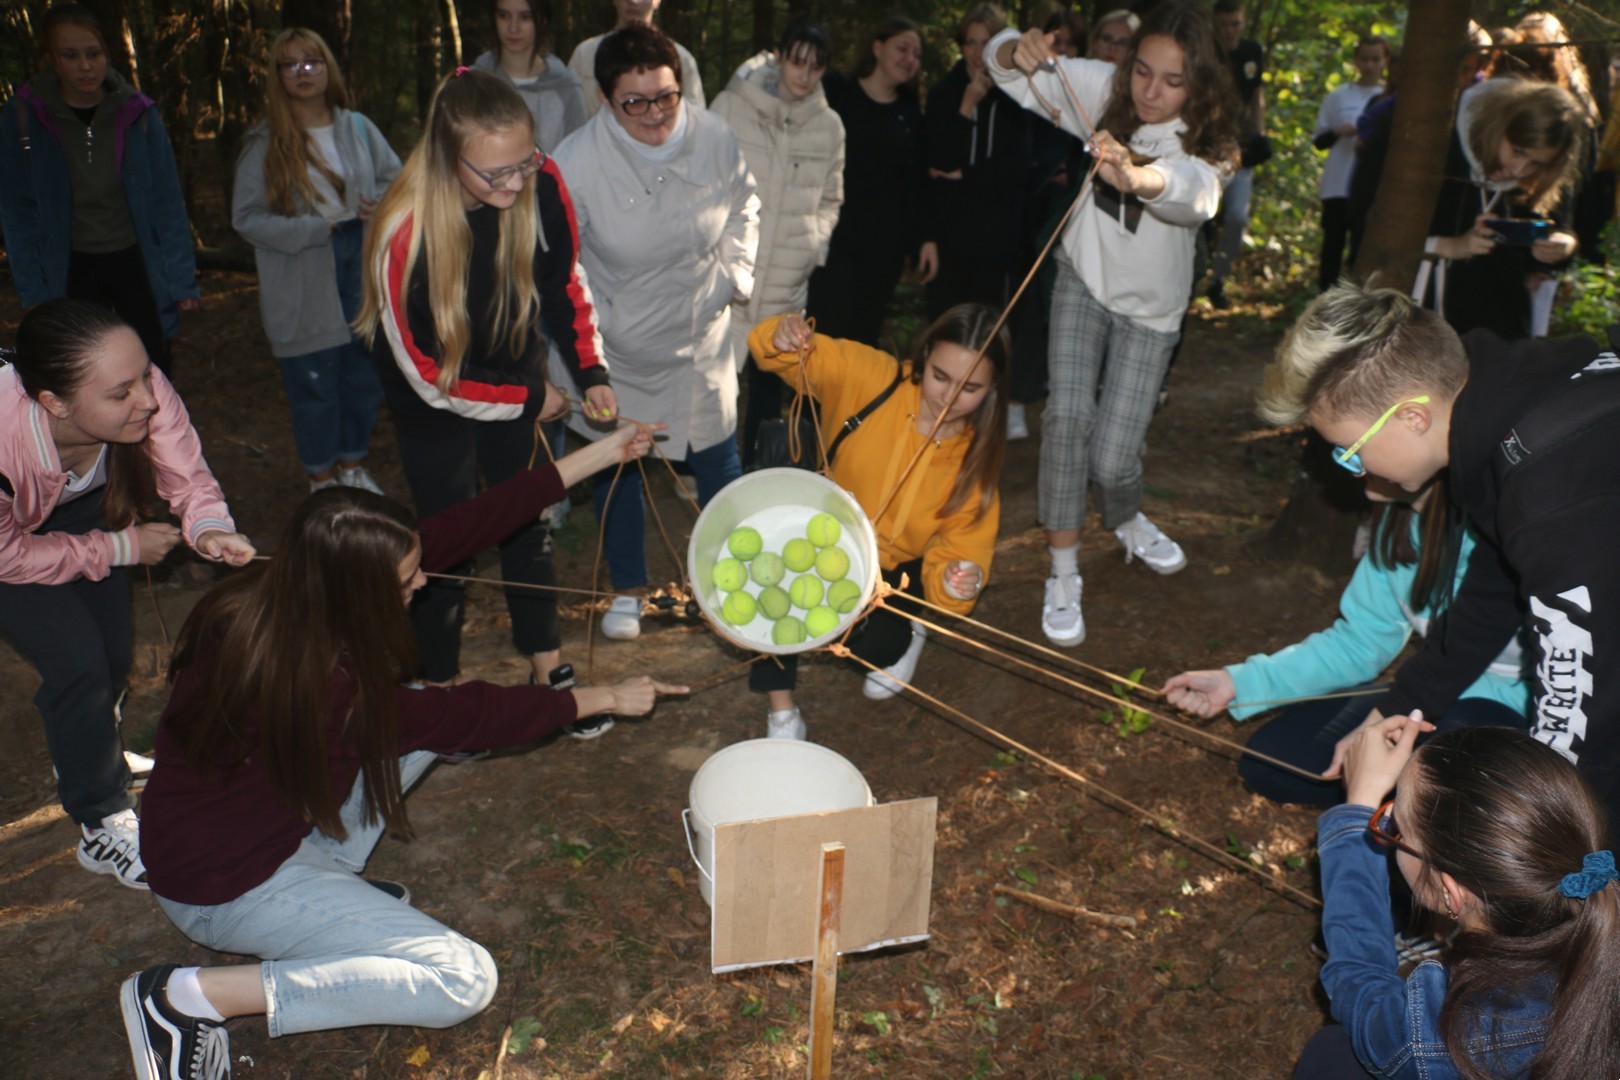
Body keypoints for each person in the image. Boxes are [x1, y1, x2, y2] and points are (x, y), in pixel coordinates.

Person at [121, 424, 682, 1080]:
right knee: (462, 979)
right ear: (358, 589)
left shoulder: (284, 589)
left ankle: (330, 887)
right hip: (223, 887)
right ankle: (185, 999)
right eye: (408, 578)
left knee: (417, 717)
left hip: (244, 834)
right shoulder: (325, 688)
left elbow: (470, 524)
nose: (423, 581)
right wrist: (606, 696)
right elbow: (469, 715)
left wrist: (607, 451)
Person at [1255, 283, 1620, 828]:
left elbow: (1581, 720)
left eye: (1349, 452)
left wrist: (1558, 859)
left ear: (1412, 417)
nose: (1356, 472)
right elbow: (1489, 600)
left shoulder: (1550, 501)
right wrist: (1391, 709)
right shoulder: (1511, 419)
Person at [356, 69, 612, 731]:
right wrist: (530, 399)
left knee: (527, 513)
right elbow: (428, 376)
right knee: (447, 536)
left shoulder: (541, 180)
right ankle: (437, 683)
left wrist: (591, 373)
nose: (515, 185)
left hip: (514, 364)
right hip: (434, 394)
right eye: (495, 174)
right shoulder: (403, 231)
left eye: (523, 164)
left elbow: (564, 283)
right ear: (448, 156)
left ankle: (546, 665)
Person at [988, 3, 1238, 647]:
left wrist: (1135, 176)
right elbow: (1012, 72)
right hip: (1082, 279)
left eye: (1173, 81)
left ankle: (1125, 517)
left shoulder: (1208, 142)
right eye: (1143, 71)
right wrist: (1014, 48)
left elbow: (1195, 195)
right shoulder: (1102, 88)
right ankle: (1062, 570)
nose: (1150, 92)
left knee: (1113, 456)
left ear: (1199, 84)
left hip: (1153, 310)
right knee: (1067, 419)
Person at [0, 299, 255, 891]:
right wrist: (120, 548)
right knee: (78, 664)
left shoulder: (135, 381)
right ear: (55, 403)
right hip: (8, 544)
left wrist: (207, 526)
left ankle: (94, 750)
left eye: (145, 376)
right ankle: (100, 817)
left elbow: (186, 471)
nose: (147, 399)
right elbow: (9, 556)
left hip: (79, 505)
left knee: (113, 655)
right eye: (122, 393)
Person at [551, 23, 759, 643]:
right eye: (634, 102)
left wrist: (733, 277)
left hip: (701, 335)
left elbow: (745, 206)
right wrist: (593, 348)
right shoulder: (574, 163)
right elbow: (562, 266)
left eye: (666, 96)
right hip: (619, 347)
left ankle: (735, 578)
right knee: (619, 466)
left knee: (718, 458)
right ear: (604, 98)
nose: (654, 114)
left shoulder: (714, 136)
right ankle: (628, 588)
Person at [1163, 477, 1529, 806]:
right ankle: (1398, 797)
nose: (1352, 465)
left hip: (1513, 708)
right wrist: (1239, 682)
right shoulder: (1398, 524)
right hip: (1424, 695)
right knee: (1273, 763)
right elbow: (1359, 642)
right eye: (1341, 455)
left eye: (1354, 447)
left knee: (1446, 774)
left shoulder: (1513, 533)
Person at [1294, 722, 1620, 1078]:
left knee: (1330, 1057)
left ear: (1451, 891)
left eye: (1397, 829)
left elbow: (1362, 988)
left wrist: (1358, 806)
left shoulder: (1441, 1036)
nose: (1388, 825)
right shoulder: (1598, 901)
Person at [746, 306, 1008, 740]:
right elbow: (792, 357)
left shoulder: (973, 464)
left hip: (892, 571)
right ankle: (783, 711)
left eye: (969, 388)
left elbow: (963, 550)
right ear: (924, 356)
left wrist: (959, 580)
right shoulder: (874, 378)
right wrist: (782, 335)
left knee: (876, 646)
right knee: (770, 588)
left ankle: (906, 630)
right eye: (940, 376)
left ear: (992, 388)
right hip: (820, 532)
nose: (948, 396)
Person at [233, 28, 400, 496]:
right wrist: (309, 229)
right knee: (314, 384)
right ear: (277, 76)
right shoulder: (265, 141)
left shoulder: (359, 128)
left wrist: (380, 203)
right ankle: (322, 480)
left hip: (360, 264)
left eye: (312, 62)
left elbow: (399, 181)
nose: (302, 72)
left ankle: (352, 466)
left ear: (329, 68)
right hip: (304, 274)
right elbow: (246, 217)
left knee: (361, 377)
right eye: (290, 65)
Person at [0, 3, 200, 378]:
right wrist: (33, 289)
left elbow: (167, 202)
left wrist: (180, 279)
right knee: (83, 371)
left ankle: (154, 420)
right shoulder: (24, 117)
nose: (85, 66)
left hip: (135, 259)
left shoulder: (138, 112)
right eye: (70, 55)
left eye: (93, 54)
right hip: (69, 265)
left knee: (152, 365)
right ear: (50, 58)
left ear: (107, 54)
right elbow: (17, 210)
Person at [710, 21, 845, 469]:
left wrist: (814, 248)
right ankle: (706, 473)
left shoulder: (829, 126)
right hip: (730, 273)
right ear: (780, 56)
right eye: (797, 61)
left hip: (787, 281)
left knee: (769, 389)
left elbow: (831, 198)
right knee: (714, 387)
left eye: (816, 66)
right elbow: (703, 175)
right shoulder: (732, 105)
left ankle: (758, 473)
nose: (804, 74)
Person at [806, 17, 939, 346]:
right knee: (823, 332)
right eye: (902, 48)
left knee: (862, 337)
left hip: (884, 249)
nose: (910, 59)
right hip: (833, 239)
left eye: (916, 54)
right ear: (877, 47)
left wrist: (926, 239)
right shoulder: (837, 91)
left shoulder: (910, 115)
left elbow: (918, 184)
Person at [1417, 77, 1582, 341]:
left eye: (1537, 163)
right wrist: (1448, 246)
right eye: (1517, 151)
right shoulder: (1434, 144)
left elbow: (1552, 226)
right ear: (1498, 126)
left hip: (1498, 330)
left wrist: (1562, 245)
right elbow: (1379, 232)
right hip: (1426, 320)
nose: (1519, 170)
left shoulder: (1529, 181)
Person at [926, 5, 1033, 323]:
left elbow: (1017, 169)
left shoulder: (1014, 98)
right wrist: (967, 105)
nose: (977, 52)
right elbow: (939, 161)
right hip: (950, 237)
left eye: (985, 43)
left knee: (987, 327)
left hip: (996, 240)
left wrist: (965, 174)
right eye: (970, 43)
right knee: (945, 323)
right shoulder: (944, 93)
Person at [1312, 36, 1387, 291]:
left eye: (1375, 59)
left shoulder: (1389, 97)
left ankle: (1357, 301)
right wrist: (1338, 132)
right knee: (1332, 247)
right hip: (1337, 185)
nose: (1369, 65)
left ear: (1385, 61)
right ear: (1356, 61)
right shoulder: (1339, 96)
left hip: (1369, 188)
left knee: (1361, 248)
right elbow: (1319, 141)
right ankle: (1325, 300)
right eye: (1364, 59)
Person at [471, 0, 587, 153]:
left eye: (525, 17)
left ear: (543, 21)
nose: (513, 28)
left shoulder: (567, 89)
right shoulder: (472, 85)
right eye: (504, 16)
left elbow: (580, 155)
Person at [1206, 0, 1263, 309]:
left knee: (1237, 217)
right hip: (1207, 148)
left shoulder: (1252, 51)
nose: (1229, 31)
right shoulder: (1206, 51)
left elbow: (1256, 96)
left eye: (1235, 24)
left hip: (1242, 148)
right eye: (1224, 24)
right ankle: (1194, 270)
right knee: (1201, 212)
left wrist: (1258, 135)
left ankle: (1217, 279)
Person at [567, 0, 703, 120]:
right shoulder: (585, 53)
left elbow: (695, 118)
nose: (633, 1)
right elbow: (569, 110)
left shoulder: (680, 57)